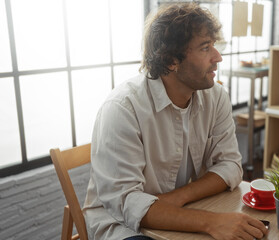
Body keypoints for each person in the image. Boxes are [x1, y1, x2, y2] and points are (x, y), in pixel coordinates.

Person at [83, 3, 268, 240]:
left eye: (214, 45)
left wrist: (178, 198)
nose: (218, 57)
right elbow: (127, 203)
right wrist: (211, 222)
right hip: (121, 224)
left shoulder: (215, 96)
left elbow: (230, 165)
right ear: (171, 60)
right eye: (205, 47)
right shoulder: (123, 108)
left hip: (182, 210)